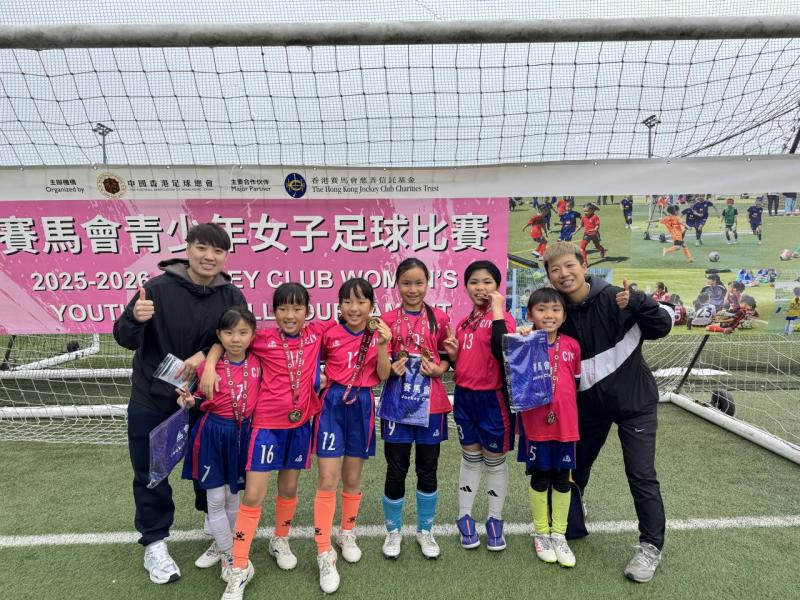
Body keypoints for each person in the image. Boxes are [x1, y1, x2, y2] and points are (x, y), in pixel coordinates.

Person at [113, 223, 246, 585]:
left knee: (209, 466)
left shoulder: (231, 295)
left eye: (218, 251)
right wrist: (134, 318)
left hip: (205, 400)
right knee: (151, 473)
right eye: (202, 248)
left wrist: (206, 357)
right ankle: (154, 542)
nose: (209, 257)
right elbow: (124, 338)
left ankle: (211, 517)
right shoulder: (156, 289)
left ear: (225, 256)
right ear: (187, 249)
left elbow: (240, 339)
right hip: (152, 398)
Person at [542, 241, 673, 583]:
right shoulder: (558, 311)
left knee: (640, 474)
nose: (563, 274)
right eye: (555, 270)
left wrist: (640, 302)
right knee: (575, 466)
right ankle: (575, 509)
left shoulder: (617, 298)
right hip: (588, 407)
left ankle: (650, 547)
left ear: (584, 265)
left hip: (635, 404)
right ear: (549, 277)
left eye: (569, 266)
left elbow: (662, 325)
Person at [200, 282, 332, 600]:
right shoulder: (263, 339)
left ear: (308, 311)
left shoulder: (317, 333)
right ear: (274, 312)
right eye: (283, 308)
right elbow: (223, 341)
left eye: (297, 308)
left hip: (299, 426)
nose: (290, 315)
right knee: (253, 496)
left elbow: (353, 323)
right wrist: (209, 365)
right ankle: (239, 567)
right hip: (266, 428)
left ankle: (279, 540)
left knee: (289, 489)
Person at [313, 279, 391, 592]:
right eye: (347, 301)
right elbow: (312, 361)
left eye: (361, 302)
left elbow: (383, 375)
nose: (354, 308)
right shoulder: (329, 333)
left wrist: (383, 345)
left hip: (362, 404)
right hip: (332, 404)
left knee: (353, 478)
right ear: (339, 305)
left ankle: (347, 533)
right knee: (327, 478)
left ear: (371, 306)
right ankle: (323, 550)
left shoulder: (379, 334)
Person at [177, 307, 262, 581]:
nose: (235, 339)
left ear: (252, 335)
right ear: (219, 335)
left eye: (242, 333)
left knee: (233, 495)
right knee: (215, 498)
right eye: (228, 333)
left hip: (242, 434)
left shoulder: (258, 362)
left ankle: (226, 545)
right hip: (213, 435)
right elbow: (196, 398)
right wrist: (189, 401)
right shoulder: (208, 368)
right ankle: (228, 554)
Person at [380, 258, 453, 560]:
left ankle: (425, 530)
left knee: (428, 468)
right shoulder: (386, 320)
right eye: (406, 283)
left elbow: (448, 357)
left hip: (431, 405)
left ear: (427, 283)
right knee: (396, 469)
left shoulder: (440, 318)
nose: (413, 289)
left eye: (419, 283)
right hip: (397, 405)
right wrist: (391, 367)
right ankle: (393, 530)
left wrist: (439, 370)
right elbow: (380, 364)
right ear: (397, 284)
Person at [445, 260, 517, 552]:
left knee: (494, 460)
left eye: (487, 282)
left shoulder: (504, 318)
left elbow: (502, 350)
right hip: (464, 398)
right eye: (474, 282)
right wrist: (453, 357)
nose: (480, 288)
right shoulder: (463, 323)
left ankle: (494, 519)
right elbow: (463, 365)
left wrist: (498, 309)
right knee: (470, 458)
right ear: (466, 286)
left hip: (492, 399)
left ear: (497, 286)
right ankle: (464, 517)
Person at [516, 288, 581, 568]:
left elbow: (575, 383)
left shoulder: (572, 346)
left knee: (563, 479)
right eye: (541, 309)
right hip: (535, 425)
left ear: (564, 316)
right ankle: (541, 533)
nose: (549, 315)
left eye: (555, 309)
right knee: (540, 477)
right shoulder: (524, 343)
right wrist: (523, 338)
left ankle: (559, 535)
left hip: (565, 425)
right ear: (530, 314)